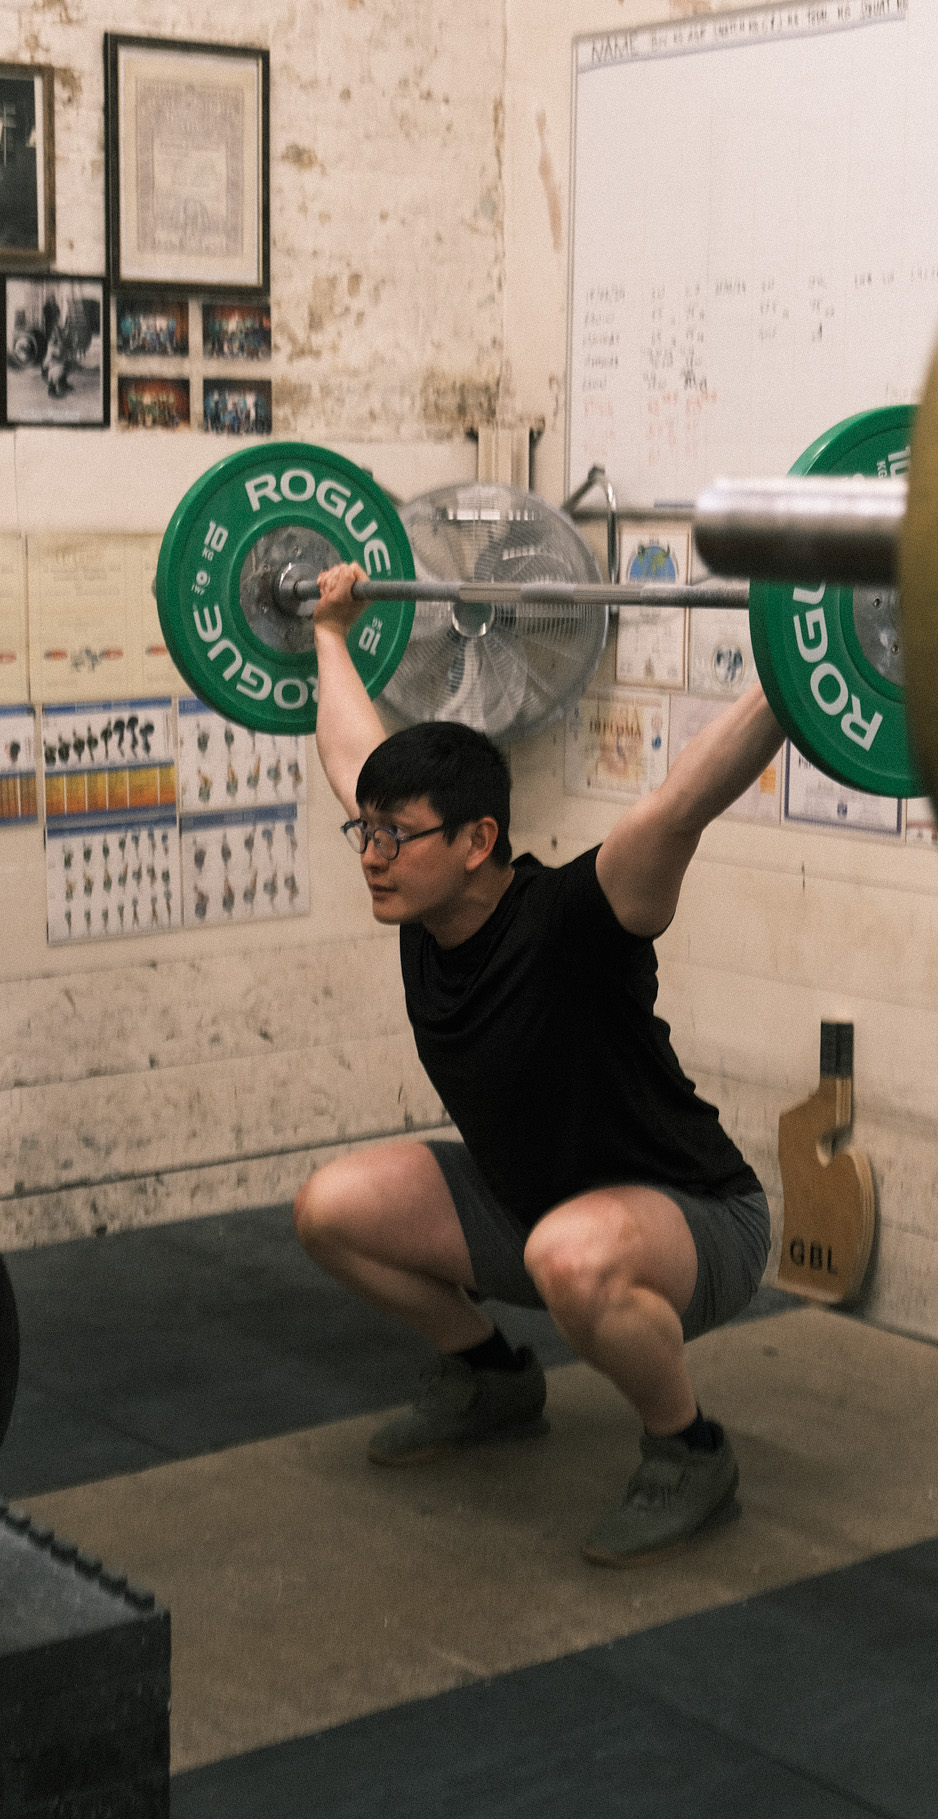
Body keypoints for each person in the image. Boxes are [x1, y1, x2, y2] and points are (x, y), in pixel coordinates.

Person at [294, 563, 786, 1565]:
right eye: (366, 831)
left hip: (692, 1215)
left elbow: (681, 804)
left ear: (478, 839)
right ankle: (490, 1376)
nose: (370, 854)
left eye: (394, 835)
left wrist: (800, 654)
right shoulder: (423, 908)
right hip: (526, 1201)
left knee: (572, 1254)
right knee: (330, 1209)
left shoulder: (575, 917)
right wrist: (330, 632)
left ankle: (689, 1451)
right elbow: (352, 754)